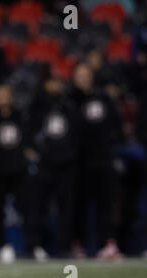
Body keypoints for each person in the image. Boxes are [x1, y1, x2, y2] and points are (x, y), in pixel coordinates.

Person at [69, 63, 123, 260]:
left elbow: (116, 124)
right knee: (79, 204)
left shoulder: (103, 98)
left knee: (105, 204)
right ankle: (77, 243)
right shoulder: (70, 100)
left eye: (86, 74)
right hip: (80, 161)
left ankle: (107, 243)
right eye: (79, 74)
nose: (83, 78)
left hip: (103, 159)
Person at [25, 75, 79, 259]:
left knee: (66, 208)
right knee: (38, 207)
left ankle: (64, 246)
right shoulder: (37, 106)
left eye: (58, 81)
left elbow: (76, 133)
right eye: (52, 81)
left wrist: (71, 154)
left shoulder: (68, 105)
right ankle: (35, 245)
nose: (55, 85)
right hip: (44, 164)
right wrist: (33, 151)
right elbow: (29, 132)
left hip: (65, 164)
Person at [0, 83, 27, 263]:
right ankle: (3, 246)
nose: (3, 98)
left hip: (18, 170)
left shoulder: (19, 115)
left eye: (5, 94)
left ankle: (33, 245)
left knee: (26, 208)